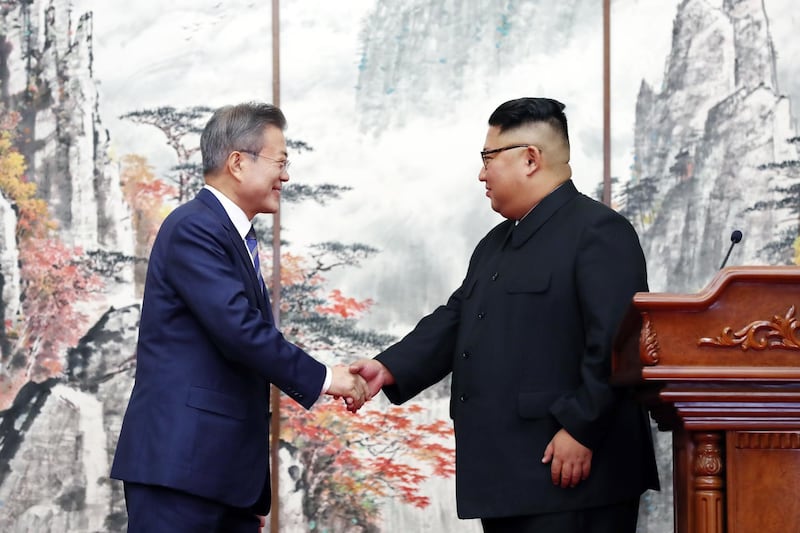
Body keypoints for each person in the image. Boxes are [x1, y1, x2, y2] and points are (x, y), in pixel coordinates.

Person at [351, 97, 659, 533]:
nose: (481, 173)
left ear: (530, 159)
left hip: (572, 472)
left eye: (488, 158)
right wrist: (387, 368)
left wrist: (582, 429)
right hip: (512, 477)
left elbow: (615, 343)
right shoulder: (496, 243)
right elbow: (457, 317)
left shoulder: (599, 231)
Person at [111, 102, 369, 532]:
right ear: (237, 162)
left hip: (221, 476)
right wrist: (327, 378)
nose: (285, 176)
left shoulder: (227, 233)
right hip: (182, 473)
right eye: (280, 162)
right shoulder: (194, 228)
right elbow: (239, 330)